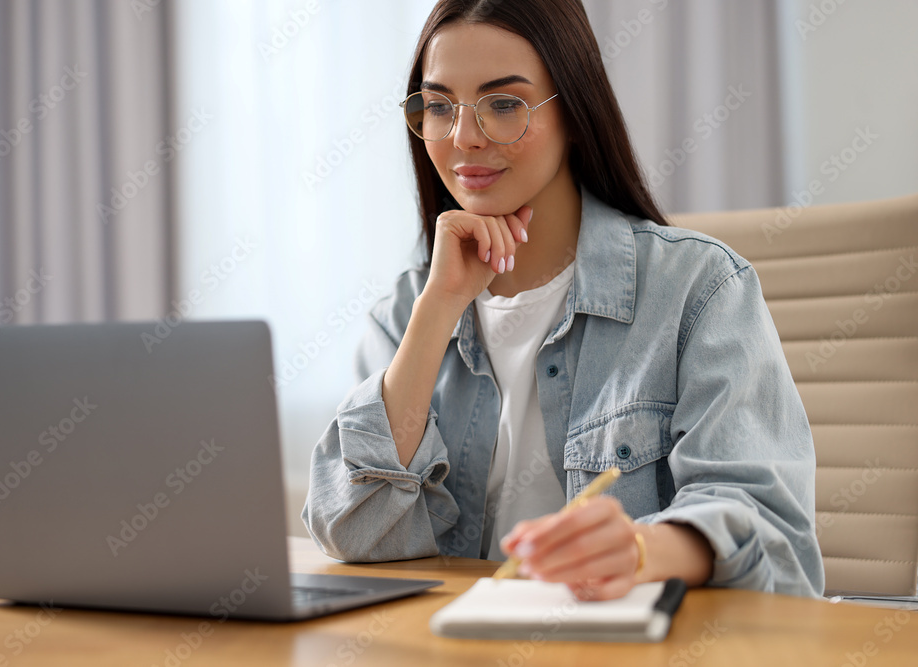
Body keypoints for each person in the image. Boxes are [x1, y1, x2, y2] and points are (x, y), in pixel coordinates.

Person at [302, 0, 824, 601]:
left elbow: (774, 534)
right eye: (440, 106)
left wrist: (637, 550)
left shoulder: (698, 287)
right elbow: (354, 531)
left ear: (575, 113)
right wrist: (438, 309)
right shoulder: (405, 311)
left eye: (504, 104)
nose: (463, 137)